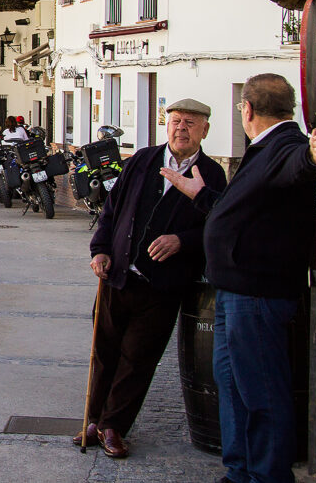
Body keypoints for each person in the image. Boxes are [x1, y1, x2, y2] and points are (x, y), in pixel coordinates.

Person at [163, 75, 316, 483]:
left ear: (247, 109)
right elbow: (242, 212)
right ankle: (239, 471)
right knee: (232, 386)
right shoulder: (263, 149)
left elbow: (298, 168)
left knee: (261, 391)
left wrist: (315, 156)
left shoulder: (285, 147)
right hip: (235, 291)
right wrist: (198, 194)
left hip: (257, 293)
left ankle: (268, 476)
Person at [76, 98, 228, 459]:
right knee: (104, 353)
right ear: (166, 124)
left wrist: (182, 241)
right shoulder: (143, 161)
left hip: (162, 286)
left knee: (137, 359)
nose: (181, 128)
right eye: (176, 121)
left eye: (190, 123)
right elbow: (112, 211)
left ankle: (114, 426)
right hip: (117, 277)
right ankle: (93, 420)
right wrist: (99, 250)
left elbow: (218, 228)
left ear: (205, 130)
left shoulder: (211, 174)